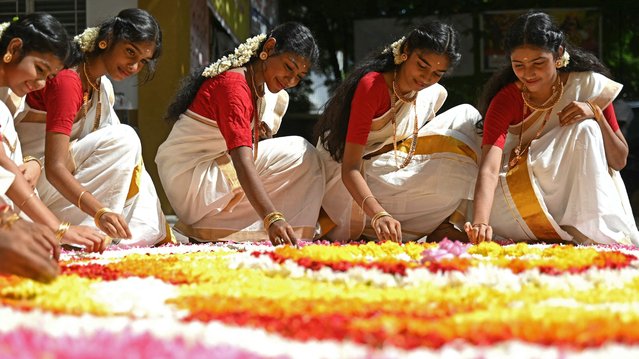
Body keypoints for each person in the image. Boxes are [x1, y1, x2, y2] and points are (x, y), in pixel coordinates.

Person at [465, 11, 639, 245]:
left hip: (582, 201)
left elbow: (619, 161)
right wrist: (480, 224)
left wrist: (595, 113)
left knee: (586, 129)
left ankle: (588, 230)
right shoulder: (506, 99)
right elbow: (490, 167)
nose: (528, 73)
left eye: (538, 63)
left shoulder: (589, 86)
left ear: (558, 54)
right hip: (522, 197)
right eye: (519, 65)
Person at [14, 8, 175, 247]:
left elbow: (128, 163)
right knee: (125, 139)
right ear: (106, 40)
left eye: (142, 61)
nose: (133, 66)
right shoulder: (69, 81)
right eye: (130, 52)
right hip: (27, 183)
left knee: (129, 151)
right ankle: (90, 234)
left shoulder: (101, 86)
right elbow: (56, 168)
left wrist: (160, 225)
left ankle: (137, 231)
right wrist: (100, 212)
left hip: (55, 181)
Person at [156, 22, 323, 246]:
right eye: (288, 68)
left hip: (202, 178)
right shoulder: (235, 86)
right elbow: (242, 162)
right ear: (270, 47)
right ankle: (283, 231)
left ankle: (214, 229)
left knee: (294, 157)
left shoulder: (259, 87)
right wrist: (272, 217)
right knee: (300, 152)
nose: (291, 80)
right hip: (191, 180)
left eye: (299, 76)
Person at [314, 21, 482, 243]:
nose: (426, 79)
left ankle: (444, 224)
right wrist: (379, 215)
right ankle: (375, 225)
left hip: (388, 166)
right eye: (422, 66)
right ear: (405, 52)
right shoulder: (372, 87)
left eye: (437, 73)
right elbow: (350, 168)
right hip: (348, 180)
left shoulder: (431, 93)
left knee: (468, 120)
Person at [0, 14, 107, 251]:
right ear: (14, 48)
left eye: (47, 77)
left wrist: (32, 161)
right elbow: (3, 166)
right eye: (38, 68)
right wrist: (58, 228)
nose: (40, 83)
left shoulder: (10, 97)